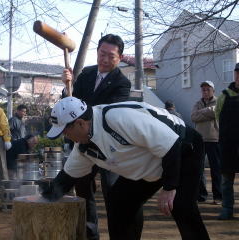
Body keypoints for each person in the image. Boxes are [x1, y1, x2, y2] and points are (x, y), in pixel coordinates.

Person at [40, 96, 210, 240]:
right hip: (150, 163)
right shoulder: (83, 147)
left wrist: (170, 187)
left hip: (183, 148)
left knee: (181, 206)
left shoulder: (117, 118)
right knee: (120, 201)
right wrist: (43, 198)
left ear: (80, 123)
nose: (65, 137)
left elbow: (170, 144)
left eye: (65, 131)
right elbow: (66, 178)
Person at [62, 34, 132, 240]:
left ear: (119, 58)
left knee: (112, 192)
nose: (104, 59)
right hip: (83, 143)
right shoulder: (85, 74)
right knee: (83, 190)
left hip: (107, 145)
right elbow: (69, 105)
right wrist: (67, 87)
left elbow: (106, 113)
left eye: (110, 56)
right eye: (102, 54)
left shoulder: (122, 83)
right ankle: (91, 235)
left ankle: (117, 235)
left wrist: (80, 111)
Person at [191, 81, 222, 205]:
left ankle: (218, 197)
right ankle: (202, 195)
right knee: (199, 169)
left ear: (213, 91)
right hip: (200, 140)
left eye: (208, 89)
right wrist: (208, 112)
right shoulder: (197, 103)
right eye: (203, 89)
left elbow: (216, 112)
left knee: (216, 170)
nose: (205, 91)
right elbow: (193, 117)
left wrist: (202, 112)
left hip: (215, 139)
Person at [215, 63, 239, 220]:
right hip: (228, 144)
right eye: (237, 73)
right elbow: (217, 116)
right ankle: (227, 209)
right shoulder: (224, 95)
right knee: (226, 180)